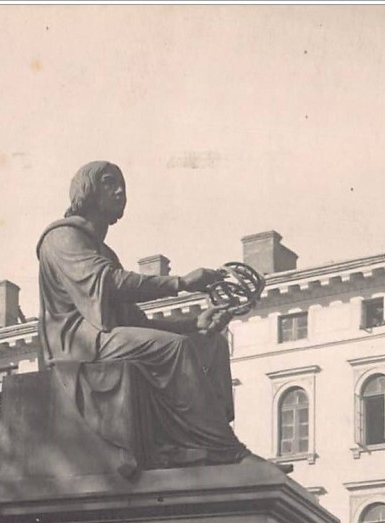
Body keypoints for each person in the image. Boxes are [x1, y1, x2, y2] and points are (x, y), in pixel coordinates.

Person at [36, 161, 251, 470]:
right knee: (174, 348)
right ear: (88, 190)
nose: (120, 191)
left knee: (210, 343)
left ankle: (197, 442)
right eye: (110, 183)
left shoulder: (102, 252)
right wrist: (181, 284)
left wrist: (194, 324)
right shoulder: (62, 237)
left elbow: (137, 323)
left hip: (104, 336)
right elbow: (110, 283)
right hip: (78, 342)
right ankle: (220, 447)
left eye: (122, 184)